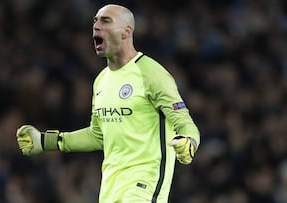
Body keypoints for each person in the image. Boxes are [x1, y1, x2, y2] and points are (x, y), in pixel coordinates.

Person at [16, 4, 200, 203]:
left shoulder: (152, 74)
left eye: (105, 21)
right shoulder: (101, 81)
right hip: (110, 191)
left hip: (143, 188)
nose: (96, 26)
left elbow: (184, 122)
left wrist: (189, 141)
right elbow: (98, 135)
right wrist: (46, 141)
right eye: (95, 21)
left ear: (126, 31)